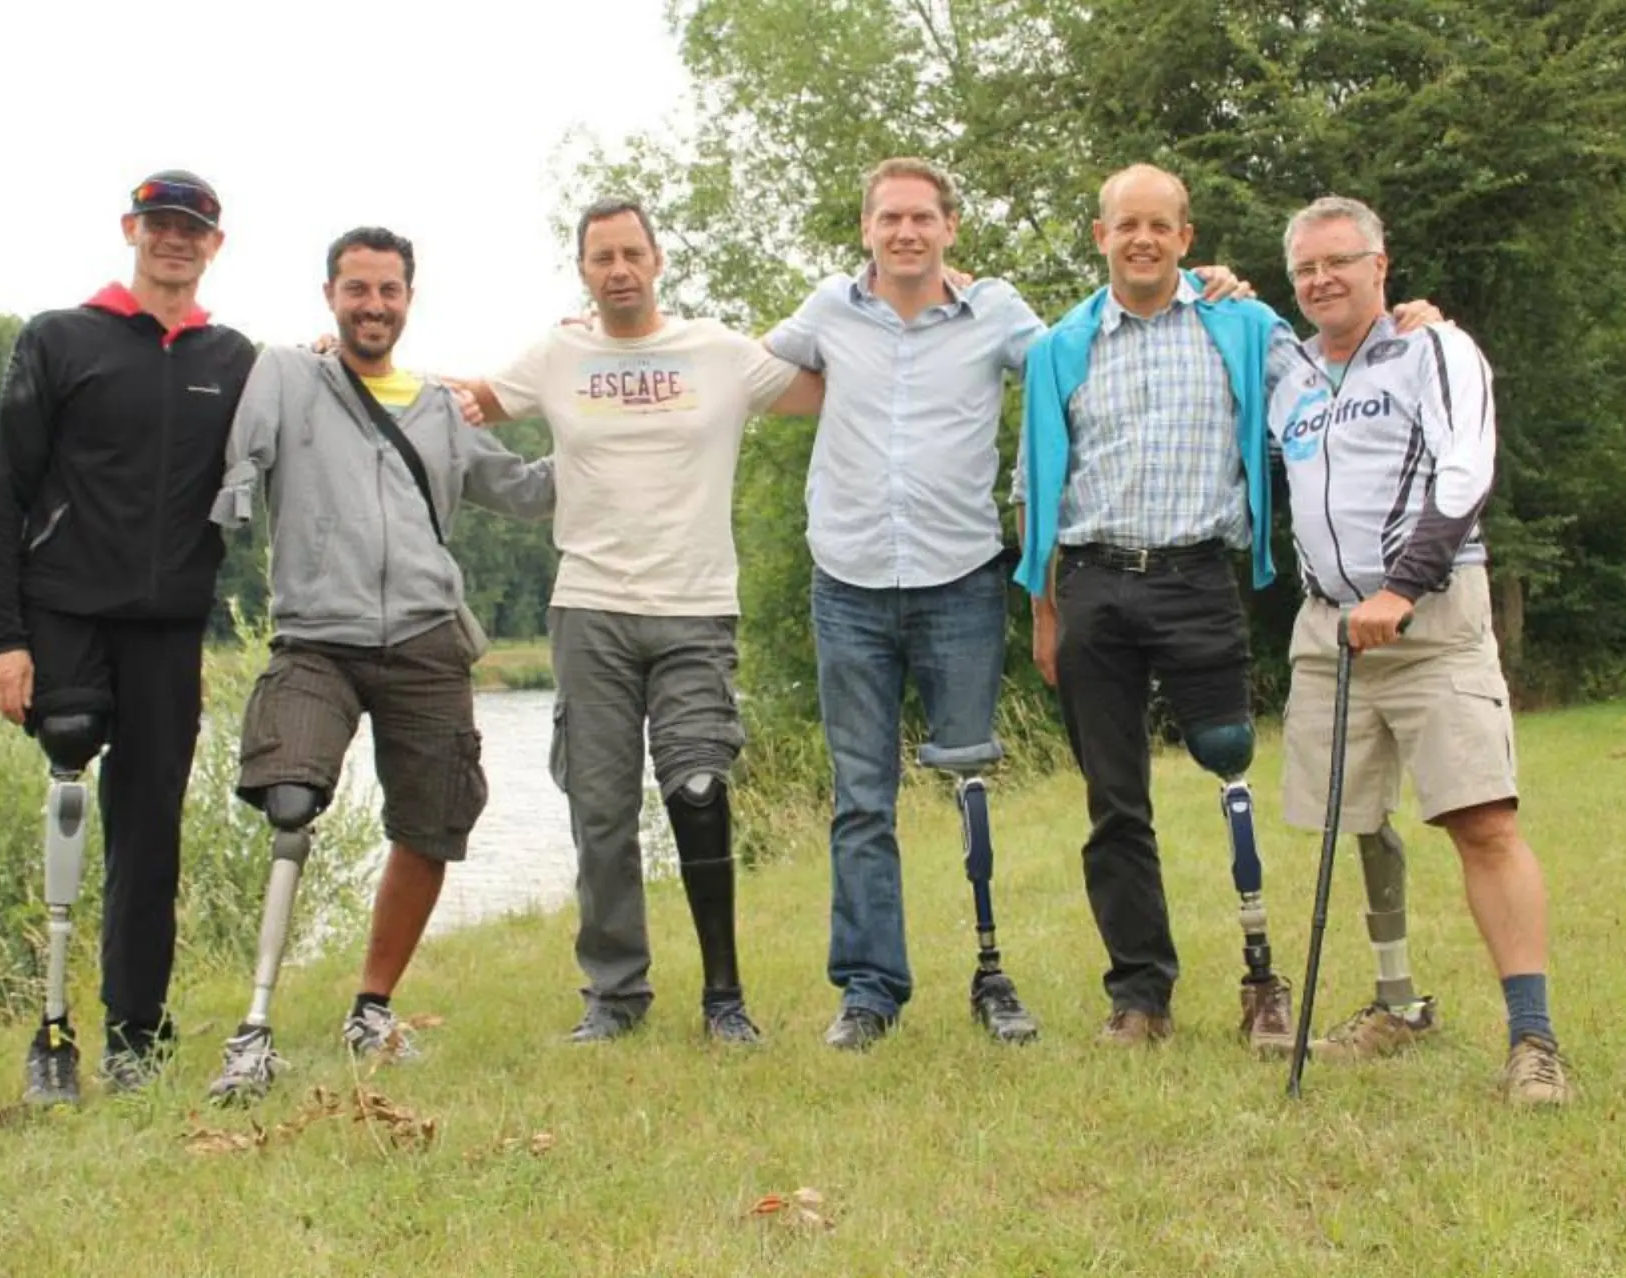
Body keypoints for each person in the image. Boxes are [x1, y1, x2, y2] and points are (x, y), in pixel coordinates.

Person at [763, 158, 1254, 1051]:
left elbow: (1094, 351)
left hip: (959, 580)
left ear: (952, 226)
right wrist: (617, 338)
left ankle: (994, 978)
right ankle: (870, 992)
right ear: (866, 228)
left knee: (974, 784)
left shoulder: (1002, 314)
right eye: (889, 219)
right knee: (861, 800)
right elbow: (741, 374)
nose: (906, 232)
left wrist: (1211, 291)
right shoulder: (827, 311)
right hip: (849, 583)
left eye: (923, 217)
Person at [456, 198, 823, 1044]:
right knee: (601, 807)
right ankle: (615, 995)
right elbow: (468, 401)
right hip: (589, 609)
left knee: (699, 789)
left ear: (657, 260)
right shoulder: (557, 355)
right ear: (583, 271)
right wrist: (353, 364)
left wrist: (920, 304)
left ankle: (724, 998)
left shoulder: (720, 354)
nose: (618, 269)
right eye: (601, 258)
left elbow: (833, 388)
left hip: (695, 609)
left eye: (631, 253)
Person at [203, 227, 556, 1101]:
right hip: (318, 635)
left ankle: (371, 1008)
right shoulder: (289, 374)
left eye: (388, 290)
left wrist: (608, 428)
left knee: (432, 823)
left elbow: (522, 491)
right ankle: (254, 1028)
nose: (373, 305)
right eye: (357, 289)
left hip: (429, 637)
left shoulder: (440, 408)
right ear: (330, 294)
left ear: (409, 298)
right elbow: (237, 463)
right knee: (290, 800)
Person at [1270, 195, 1569, 1105]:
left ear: (1380, 264)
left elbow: (1465, 471)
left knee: (1481, 819)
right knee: (1350, 815)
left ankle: (1533, 1041)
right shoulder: (1288, 374)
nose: (1323, 280)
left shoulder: (1434, 348)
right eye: (1306, 270)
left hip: (1429, 619)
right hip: (1330, 630)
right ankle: (1397, 1003)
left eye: (1340, 262)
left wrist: (1402, 589)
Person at [0, 171, 256, 1102]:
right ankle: (51, 1028)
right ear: (132, 230)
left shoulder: (233, 356)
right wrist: (0, 637)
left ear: (214, 244)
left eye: (193, 229)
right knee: (68, 780)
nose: (175, 240)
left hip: (169, 631)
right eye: (160, 225)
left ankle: (138, 1034)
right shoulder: (62, 338)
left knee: (151, 835)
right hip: (64, 613)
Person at [1013, 164, 1301, 1052]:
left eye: (1159, 226)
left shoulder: (1243, 327)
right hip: (1095, 587)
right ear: (1099, 236)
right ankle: (1141, 996)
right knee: (1115, 800)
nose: (1141, 239)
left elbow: (1330, 382)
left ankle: (1262, 982)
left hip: (1196, 580)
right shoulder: (1060, 348)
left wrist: (1418, 327)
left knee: (1231, 769)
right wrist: (1045, 610)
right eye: (1124, 225)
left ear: (1185, 236)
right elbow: (1035, 484)